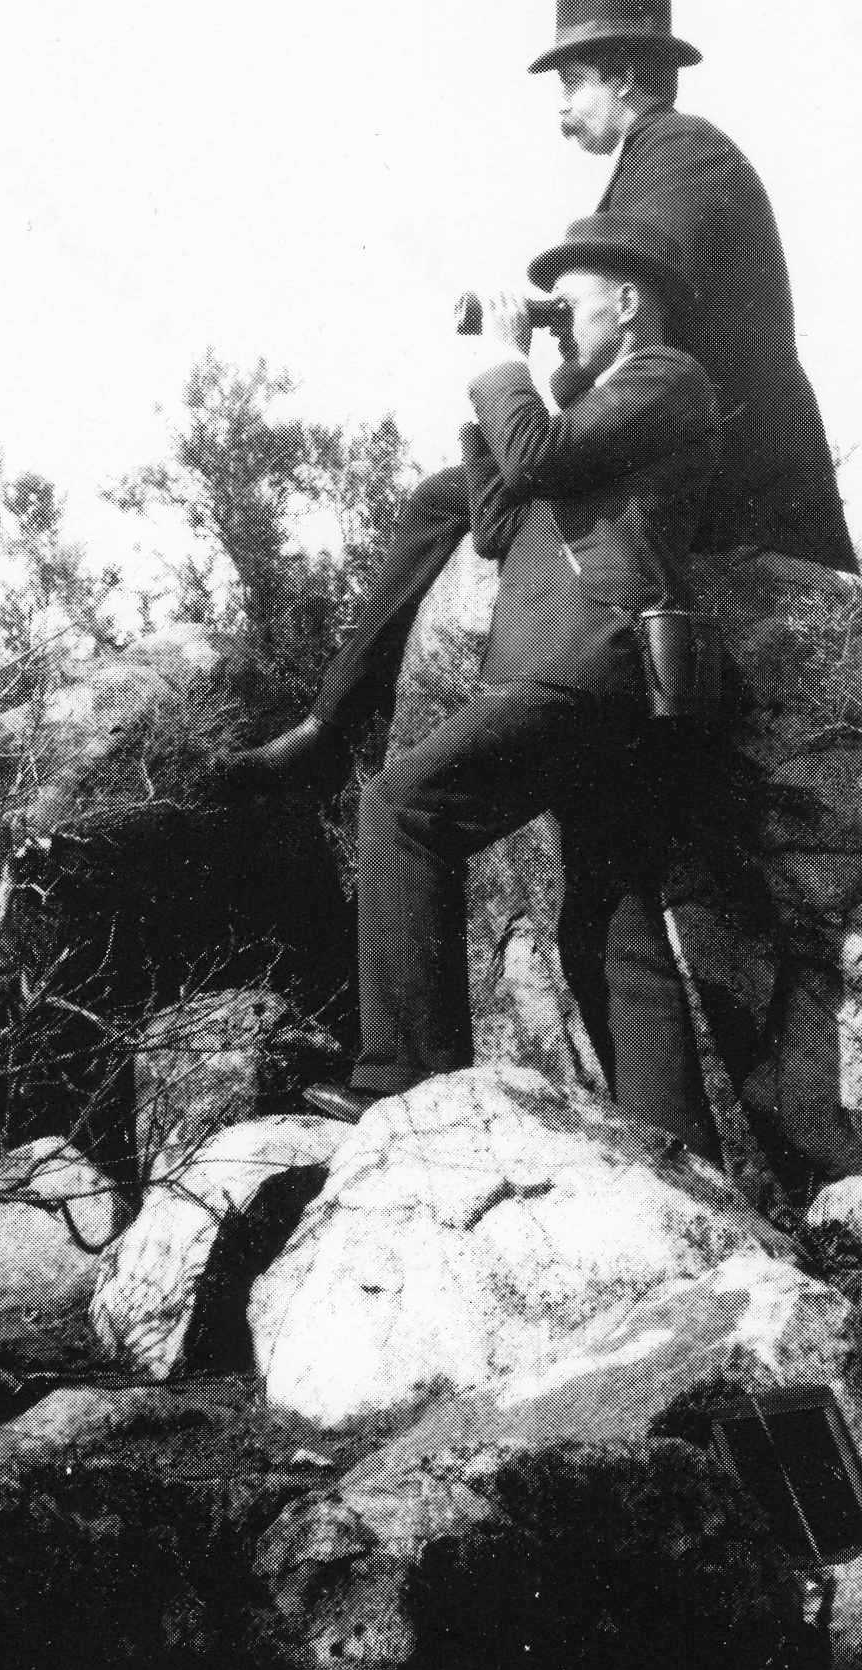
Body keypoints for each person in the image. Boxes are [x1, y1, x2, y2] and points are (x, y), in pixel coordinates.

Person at [239, 0, 853, 778]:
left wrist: (536, 359)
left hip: (734, 487)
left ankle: (327, 731)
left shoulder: (683, 153)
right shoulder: (655, 162)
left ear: (627, 77)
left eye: (572, 86)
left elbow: (639, 319)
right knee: (455, 495)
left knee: (442, 501)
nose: (562, 113)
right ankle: (330, 725)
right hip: (684, 452)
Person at [294, 214, 721, 1160]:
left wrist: (502, 360)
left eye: (569, 305)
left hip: (590, 665)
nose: (556, 323)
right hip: (588, 680)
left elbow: (539, 458)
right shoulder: (589, 416)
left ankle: (406, 1080)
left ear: (632, 300)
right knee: (607, 923)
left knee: (405, 809)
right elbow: (495, 521)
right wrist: (497, 402)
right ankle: (683, 1161)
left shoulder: (664, 379)